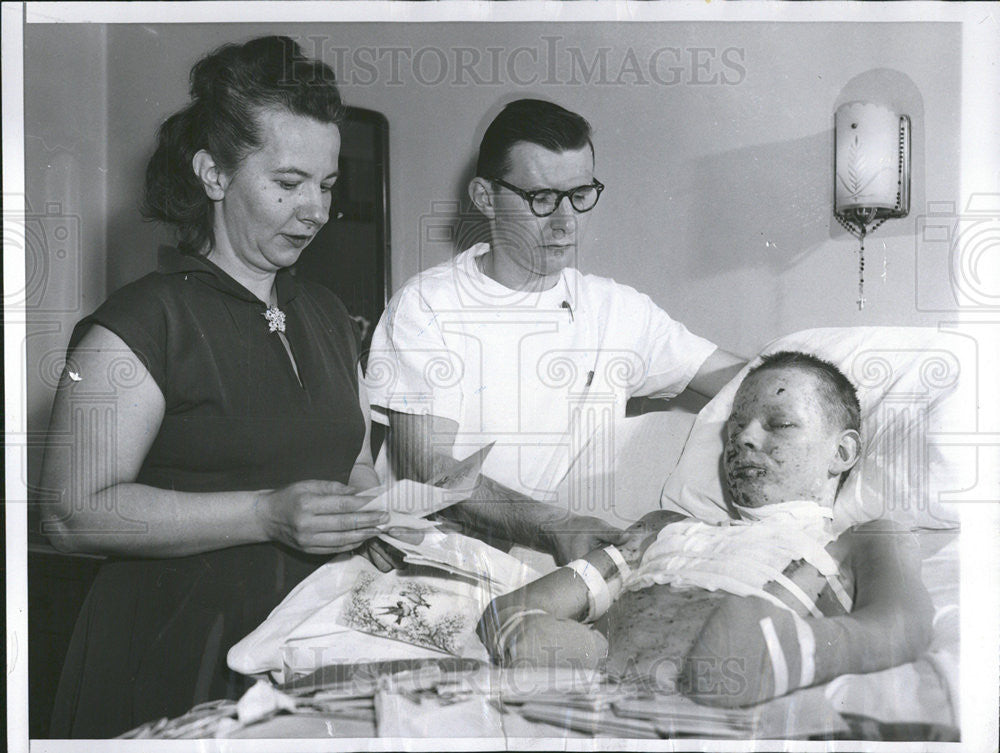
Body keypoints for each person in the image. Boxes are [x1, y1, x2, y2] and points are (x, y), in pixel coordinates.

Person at [40, 36, 392, 737]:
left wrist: (371, 513)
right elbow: (71, 512)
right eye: (287, 183)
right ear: (213, 174)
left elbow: (347, 461)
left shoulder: (325, 313)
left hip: (310, 638)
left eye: (325, 185)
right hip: (178, 648)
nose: (316, 211)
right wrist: (264, 513)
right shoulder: (140, 321)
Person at [366, 99, 745, 566]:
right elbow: (432, 473)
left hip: (541, 571)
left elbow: (746, 380)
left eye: (581, 195)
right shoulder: (428, 305)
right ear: (484, 197)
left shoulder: (617, 311)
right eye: (541, 199)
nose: (566, 222)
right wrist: (556, 526)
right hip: (425, 565)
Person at [477, 352, 934, 708]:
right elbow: (519, 608)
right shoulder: (664, 531)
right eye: (736, 427)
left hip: (730, 694)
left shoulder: (863, 540)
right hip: (600, 688)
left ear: (843, 452)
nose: (745, 439)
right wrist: (533, 632)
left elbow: (901, 626)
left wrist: (791, 650)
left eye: (780, 424)